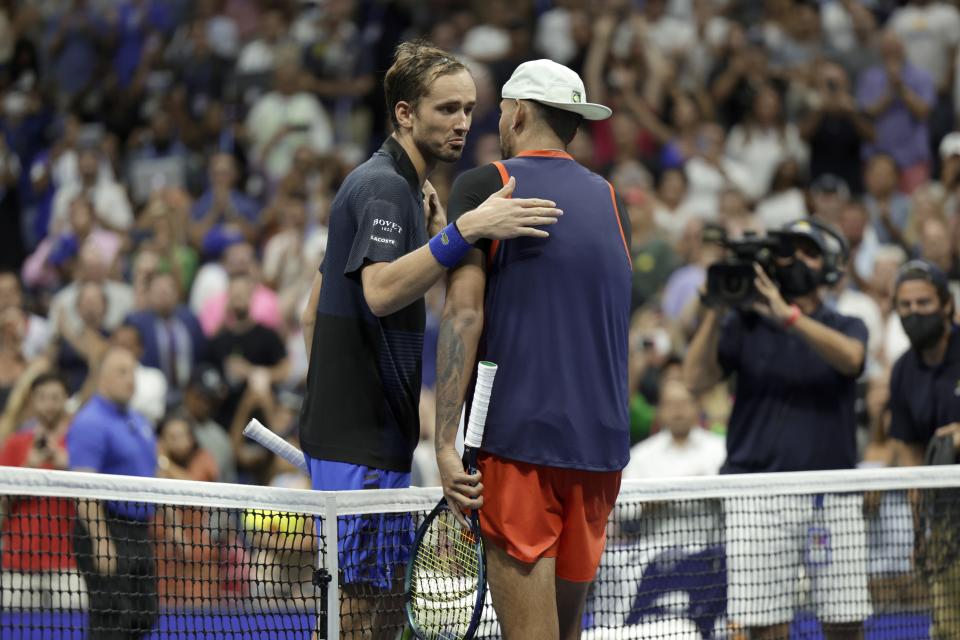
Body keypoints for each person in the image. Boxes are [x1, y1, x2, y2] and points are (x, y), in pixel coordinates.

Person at [297, 40, 562, 640]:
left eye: (469, 109)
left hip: (363, 437)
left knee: (379, 606)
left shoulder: (402, 191)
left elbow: (313, 310)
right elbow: (380, 293)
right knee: (356, 614)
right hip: (360, 444)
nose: (462, 122)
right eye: (446, 109)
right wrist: (467, 229)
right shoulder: (386, 189)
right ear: (405, 114)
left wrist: (329, 407)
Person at [434, 59, 631, 640]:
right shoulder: (610, 198)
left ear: (516, 113)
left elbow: (464, 314)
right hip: (600, 454)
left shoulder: (484, 183)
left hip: (519, 444)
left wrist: (444, 442)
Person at [683, 218, 871, 640]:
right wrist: (715, 311)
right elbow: (694, 380)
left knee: (845, 624)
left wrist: (787, 317)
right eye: (789, 250)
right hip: (755, 492)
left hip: (832, 491)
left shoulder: (845, 324)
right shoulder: (744, 325)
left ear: (829, 265)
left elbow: (852, 360)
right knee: (766, 628)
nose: (797, 260)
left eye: (809, 251)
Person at [886, 260, 960, 639]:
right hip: (947, 521)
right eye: (906, 306)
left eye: (924, 304)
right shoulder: (902, 372)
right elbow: (909, 454)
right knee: (949, 628)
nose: (914, 314)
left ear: (947, 306)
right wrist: (920, 533)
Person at [67, 347, 159, 640]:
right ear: (102, 378)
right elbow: (84, 486)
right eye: (122, 371)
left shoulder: (138, 420)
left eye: (133, 371)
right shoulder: (90, 422)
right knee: (112, 620)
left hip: (138, 531)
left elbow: (151, 474)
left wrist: (171, 523)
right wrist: (101, 539)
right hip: (106, 526)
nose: (130, 378)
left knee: (144, 615)